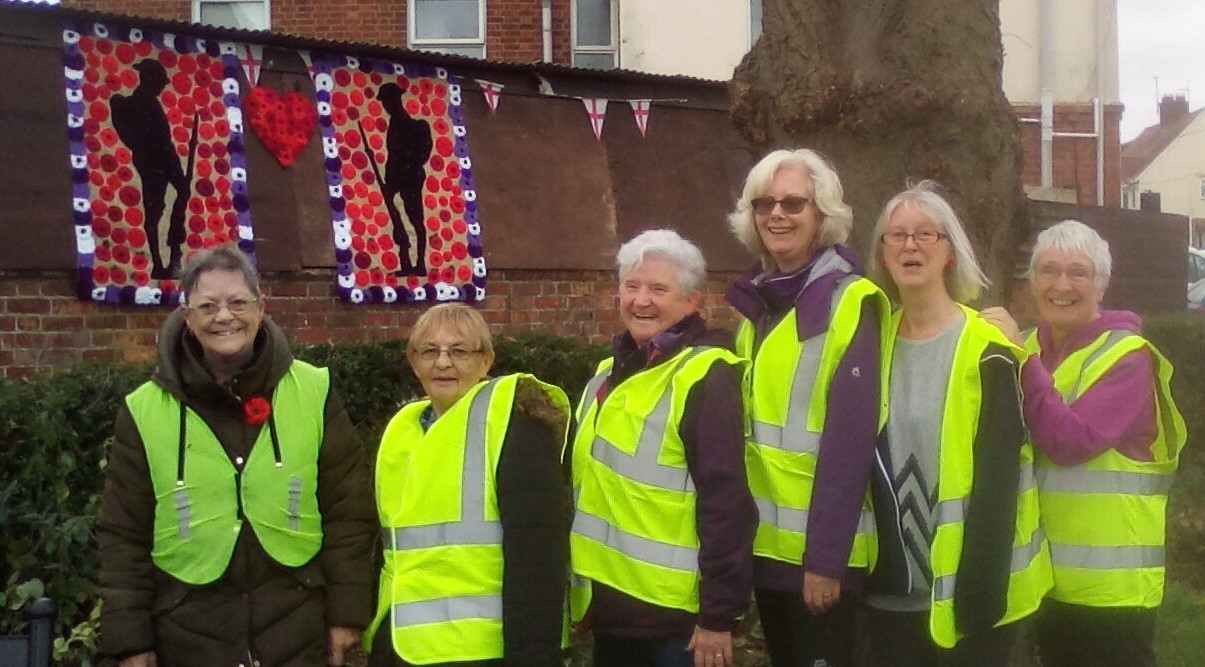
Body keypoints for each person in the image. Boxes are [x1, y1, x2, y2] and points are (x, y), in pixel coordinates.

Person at [97, 244, 377, 667]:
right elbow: (123, 536)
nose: (224, 316)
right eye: (207, 305)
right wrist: (131, 643)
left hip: (300, 628)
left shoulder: (313, 391)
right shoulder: (143, 409)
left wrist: (348, 617)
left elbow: (349, 514)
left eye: (237, 303)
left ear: (261, 307)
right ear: (186, 316)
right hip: (188, 636)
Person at [981, 220, 1186, 667]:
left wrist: (1021, 361)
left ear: (1102, 285)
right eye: (1049, 271)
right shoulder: (1031, 345)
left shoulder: (1127, 357)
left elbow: (1071, 443)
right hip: (1047, 581)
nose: (1062, 285)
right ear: (1032, 283)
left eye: (1078, 273)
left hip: (1113, 592)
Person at [864, 182, 1051, 666]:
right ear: (882, 255)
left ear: (949, 252)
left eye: (926, 235)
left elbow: (1000, 482)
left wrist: (981, 596)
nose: (910, 245)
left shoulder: (988, 349)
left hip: (974, 596)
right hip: (889, 594)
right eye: (897, 235)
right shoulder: (868, 346)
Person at [724, 148, 886, 667]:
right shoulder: (758, 310)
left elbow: (850, 444)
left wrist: (826, 561)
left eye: (794, 202)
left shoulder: (848, 302)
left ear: (823, 215)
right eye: (764, 203)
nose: (777, 214)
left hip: (820, 566)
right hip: (768, 556)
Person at [570, 229, 755, 667]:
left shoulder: (705, 375)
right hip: (613, 614)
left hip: (681, 625)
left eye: (658, 288)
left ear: (693, 302)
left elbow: (726, 502)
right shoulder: (604, 378)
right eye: (631, 286)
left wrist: (719, 615)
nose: (641, 300)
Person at [366, 303, 571, 667]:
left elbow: (538, 561)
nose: (443, 363)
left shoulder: (516, 427)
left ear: (487, 361)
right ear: (412, 362)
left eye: (459, 351)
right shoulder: (403, 431)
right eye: (429, 351)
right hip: (403, 647)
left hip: (483, 653)